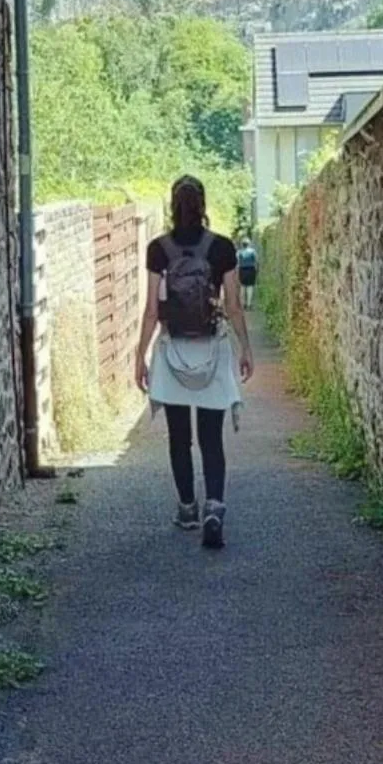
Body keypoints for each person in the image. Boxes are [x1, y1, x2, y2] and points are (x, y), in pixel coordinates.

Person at [134, 176, 254, 548]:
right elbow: (233, 305)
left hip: (173, 352)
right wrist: (244, 348)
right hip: (211, 349)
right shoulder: (221, 248)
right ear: (203, 204)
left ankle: (187, 506)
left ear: (172, 204)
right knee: (210, 436)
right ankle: (214, 507)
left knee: (179, 437)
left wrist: (140, 355)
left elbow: (152, 310)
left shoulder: (158, 249)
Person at [236, 237, 258, 311]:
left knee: (242, 287)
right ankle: (249, 304)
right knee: (250, 287)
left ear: (242, 244)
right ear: (249, 244)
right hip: (251, 270)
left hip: (242, 270)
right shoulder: (253, 251)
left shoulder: (239, 252)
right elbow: (256, 261)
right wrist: (257, 270)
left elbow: (237, 263)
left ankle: (242, 304)